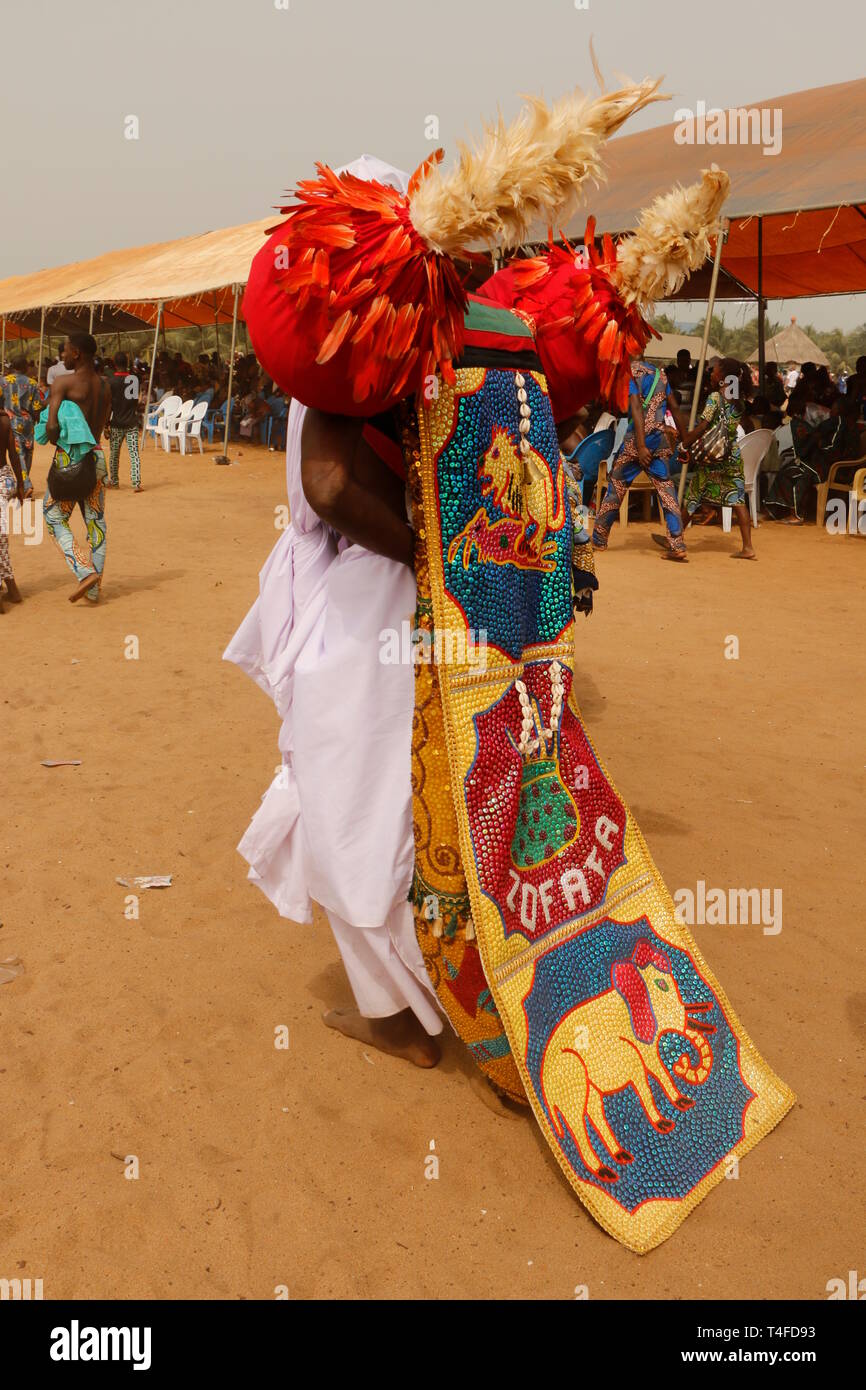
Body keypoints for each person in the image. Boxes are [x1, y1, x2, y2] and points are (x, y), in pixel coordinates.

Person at [227, 99, 793, 1254]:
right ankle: (457, 990)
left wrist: (433, 556)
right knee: (444, 802)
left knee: (358, 810)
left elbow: (334, 490)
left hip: (377, 598)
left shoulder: (361, 343)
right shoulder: (484, 331)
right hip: (470, 609)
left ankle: (406, 1018)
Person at [37, 332, 111, 603]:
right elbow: (105, 423)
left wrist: (55, 434)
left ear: (77, 353)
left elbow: (52, 428)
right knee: (96, 522)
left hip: (70, 458)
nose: (63, 356)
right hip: (97, 458)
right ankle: (93, 590)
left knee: (52, 515)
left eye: (66, 351)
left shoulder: (63, 382)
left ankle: (84, 570)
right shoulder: (105, 385)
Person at [592, 359, 689, 560]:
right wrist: (686, 441)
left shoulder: (630, 373)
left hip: (637, 441)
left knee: (616, 487)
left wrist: (642, 446)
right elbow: (675, 409)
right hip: (660, 439)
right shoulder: (661, 375)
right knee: (666, 492)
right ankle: (677, 543)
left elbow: (635, 408)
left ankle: (599, 539)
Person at [681, 357, 756, 558]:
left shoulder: (715, 397)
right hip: (732, 455)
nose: (711, 373)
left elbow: (703, 426)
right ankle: (748, 547)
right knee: (739, 500)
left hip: (713, 457)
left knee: (693, 496)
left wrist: (684, 444)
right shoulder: (739, 400)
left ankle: (676, 539)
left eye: (714, 370)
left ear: (722, 375)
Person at [2, 354, 44, 498]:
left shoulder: (3, 382)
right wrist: (38, 423)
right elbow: (37, 407)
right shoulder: (32, 383)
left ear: (13, 367)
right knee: (27, 453)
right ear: (26, 367)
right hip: (28, 423)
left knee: (17, 453)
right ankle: (24, 483)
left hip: (10, 421)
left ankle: (25, 484)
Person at [105, 350, 143, 491]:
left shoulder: (111, 381)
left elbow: (109, 405)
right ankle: (136, 483)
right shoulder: (133, 379)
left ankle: (114, 482)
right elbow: (135, 402)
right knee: (134, 454)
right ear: (127, 363)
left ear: (114, 364)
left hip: (117, 423)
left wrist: (106, 424)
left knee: (114, 454)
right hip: (131, 421)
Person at [0, 408, 26, 612]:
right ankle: (11, 585)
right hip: (5, 479)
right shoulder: (4, 421)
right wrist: (20, 484)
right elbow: (14, 454)